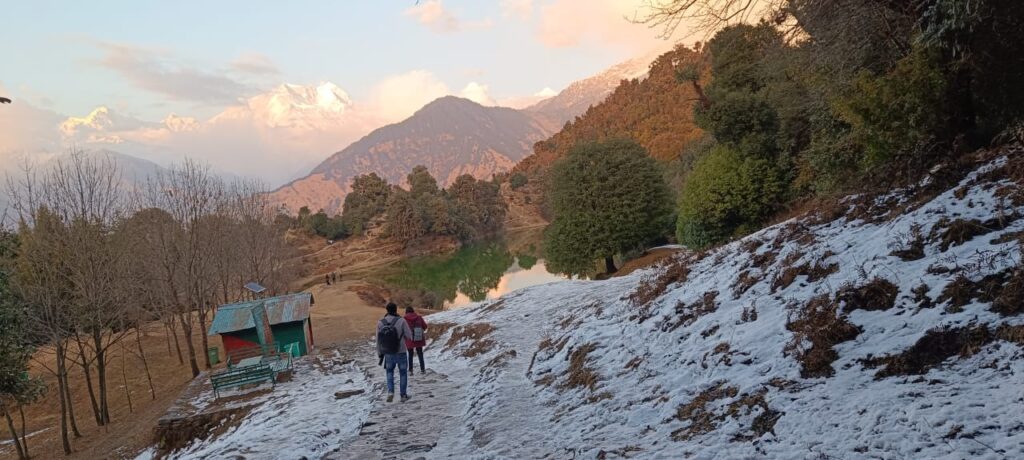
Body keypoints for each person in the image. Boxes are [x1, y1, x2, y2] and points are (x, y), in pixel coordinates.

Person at [377, 302, 413, 402]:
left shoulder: (380, 322)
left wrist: (380, 353)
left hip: (388, 352)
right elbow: (409, 336)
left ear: (387, 310)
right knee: (403, 373)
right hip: (401, 351)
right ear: (396, 310)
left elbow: (378, 340)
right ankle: (403, 395)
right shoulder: (401, 321)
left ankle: (390, 392)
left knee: (389, 372)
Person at [403, 306, 428, 374]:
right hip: (419, 338)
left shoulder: (404, 319)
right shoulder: (419, 317)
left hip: (409, 339)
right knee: (420, 354)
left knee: (410, 354)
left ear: (406, 312)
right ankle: (423, 370)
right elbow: (425, 326)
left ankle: (411, 370)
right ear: (413, 311)